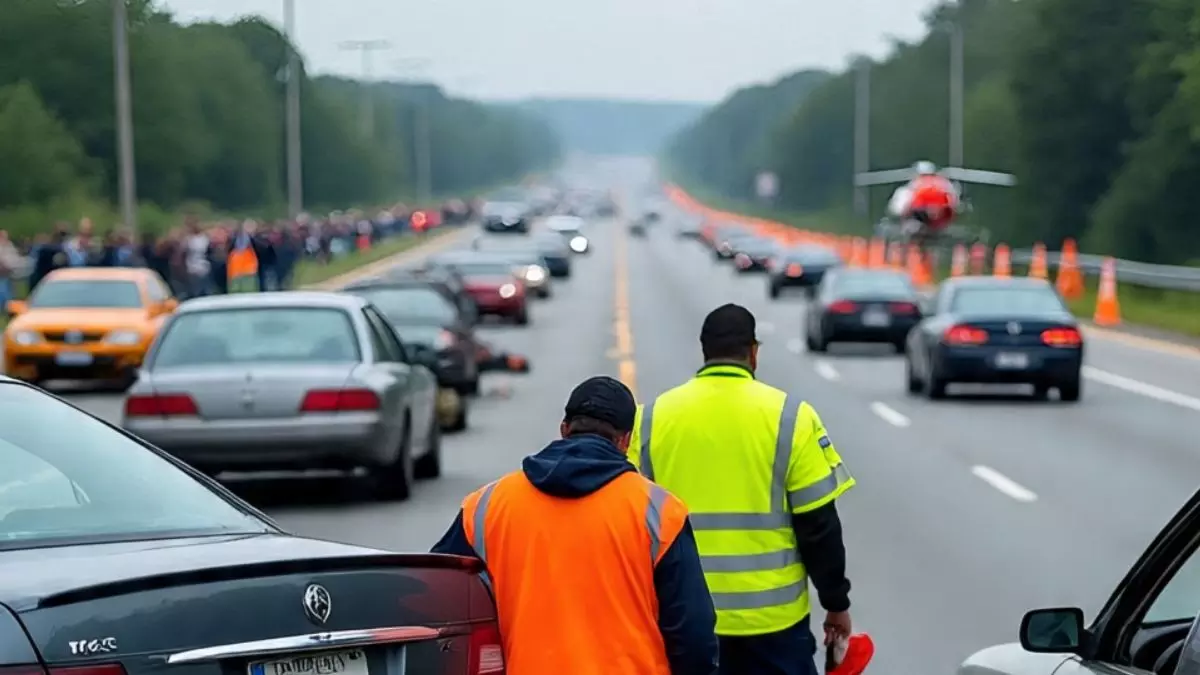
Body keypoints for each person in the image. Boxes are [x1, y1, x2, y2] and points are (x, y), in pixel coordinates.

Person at [431, 375, 719, 675]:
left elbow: (436, 597)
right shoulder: (659, 511)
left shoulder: (487, 506)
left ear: (564, 429)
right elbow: (693, 635)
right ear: (625, 440)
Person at [629, 303, 855, 675]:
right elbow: (819, 526)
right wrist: (836, 603)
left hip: (683, 619)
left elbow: (631, 520)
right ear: (753, 352)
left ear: (704, 351)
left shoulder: (650, 418)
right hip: (773, 625)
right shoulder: (791, 417)